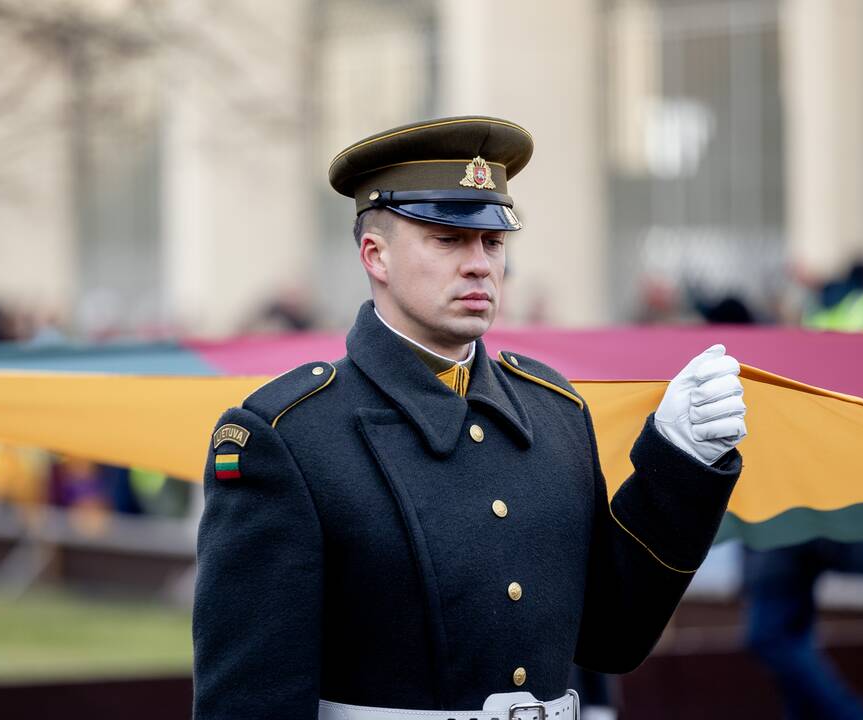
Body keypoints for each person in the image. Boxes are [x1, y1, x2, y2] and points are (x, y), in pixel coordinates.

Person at [193, 116, 747, 719]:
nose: (481, 264)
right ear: (374, 255)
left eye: (492, 242)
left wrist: (679, 465)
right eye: (446, 239)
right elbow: (248, 702)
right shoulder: (289, 437)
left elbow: (610, 638)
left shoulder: (553, 410)